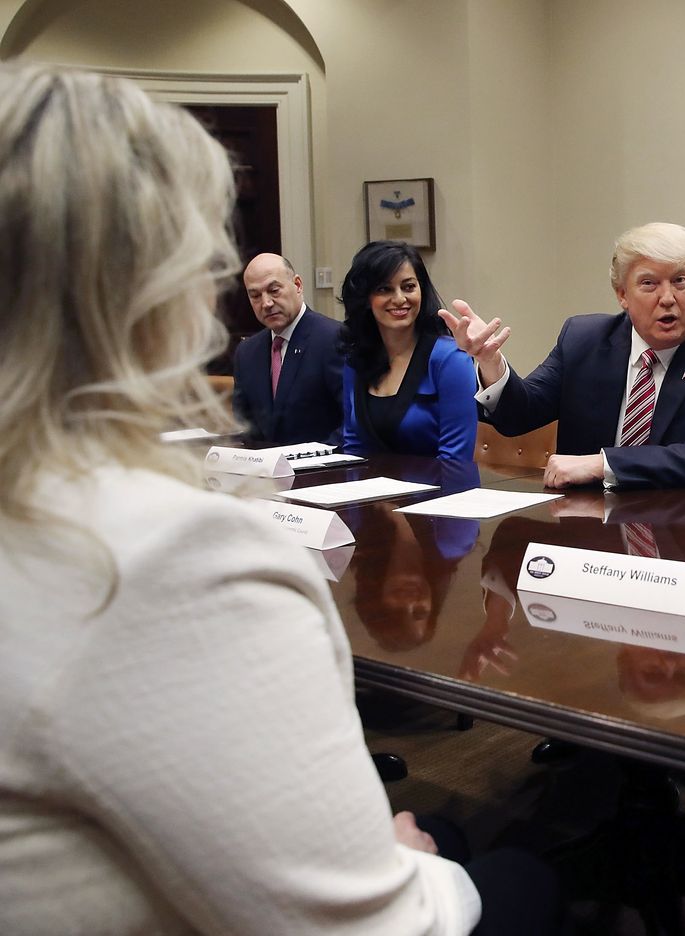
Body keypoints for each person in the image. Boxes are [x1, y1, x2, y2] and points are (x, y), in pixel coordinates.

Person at [0, 64, 557, 936]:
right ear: (162, 292)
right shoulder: (179, 560)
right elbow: (369, 920)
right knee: (530, 868)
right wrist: (407, 857)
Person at [440, 221, 685, 489]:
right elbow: (520, 416)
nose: (668, 298)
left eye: (680, 281)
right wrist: (490, 361)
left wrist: (604, 463)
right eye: (650, 284)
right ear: (622, 294)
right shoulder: (584, 340)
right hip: (590, 525)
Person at [340, 241, 478, 458]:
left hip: (442, 489)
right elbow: (354, 446)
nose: (399, 299)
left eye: (408, 287)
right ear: (366, 298)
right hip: (372, 490)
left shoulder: (451, 359)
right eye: (384, 289)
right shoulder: (355, 359)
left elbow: (455, 459)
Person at [232, 252, 345, 445]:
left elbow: (352, 421)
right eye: (255, 296)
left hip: (324, 469)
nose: (266, 303)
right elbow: (245, 425)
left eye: (274, 290)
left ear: (298, 285)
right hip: (265, 470)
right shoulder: (247, 352)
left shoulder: (333, 338)